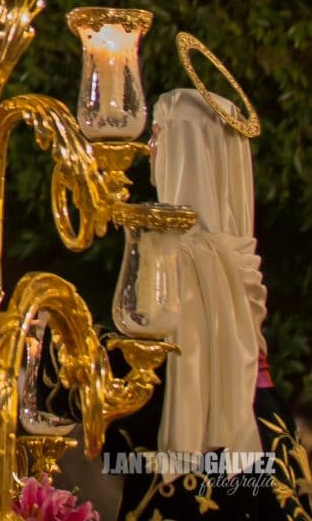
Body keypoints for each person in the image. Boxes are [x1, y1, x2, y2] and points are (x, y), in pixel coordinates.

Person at [112, 84, 311, 520]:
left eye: (161, 136)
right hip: (266, 428)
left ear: (187, 148)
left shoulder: (169, 252)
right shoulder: (238, 246)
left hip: (192, 444)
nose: (151, 148)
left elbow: (150, 370)